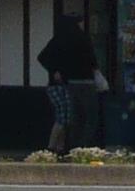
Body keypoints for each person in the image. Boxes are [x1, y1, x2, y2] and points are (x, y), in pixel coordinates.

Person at [38, 13, 102, 154]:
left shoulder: (59, 39)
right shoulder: (83, 38)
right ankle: (85, 145)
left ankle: (71, 146)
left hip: (68, 82)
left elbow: (42, 56)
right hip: (85, 81)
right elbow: (92, 60)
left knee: (74, 116)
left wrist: (55, 70)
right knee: (89, 115)